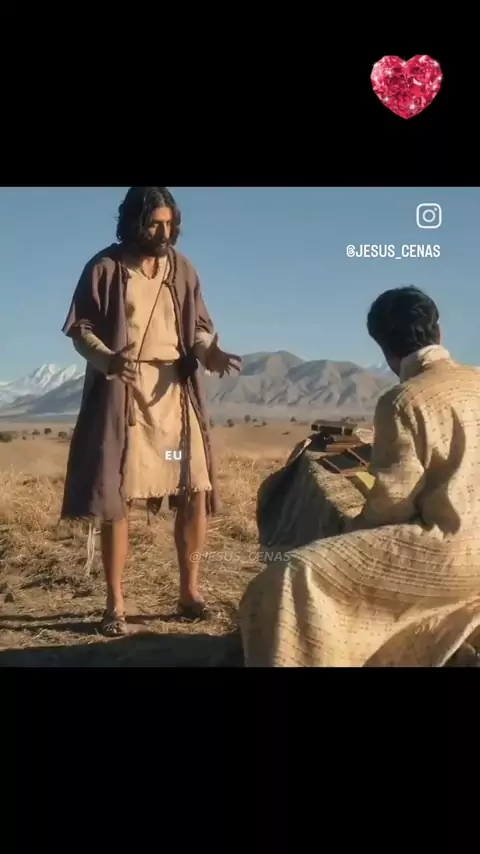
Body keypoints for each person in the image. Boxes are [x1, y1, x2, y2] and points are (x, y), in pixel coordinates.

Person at [239, 286, 480, 666]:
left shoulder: (403, 399)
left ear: (384, 349)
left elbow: (393, 504)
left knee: (292, 575)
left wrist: (351, 530)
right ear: (439, 330)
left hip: (449, 555)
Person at [61, 187, 241, 635]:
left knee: (194, 487)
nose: (164, 233)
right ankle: (115, 604)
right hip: (126, 399)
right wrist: (108, 360)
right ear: (133, 223)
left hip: (175, 398)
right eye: (154, 224)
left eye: (169, 224)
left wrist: (209, 352)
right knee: (118, 495)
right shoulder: (104, 267)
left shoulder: (182, 268)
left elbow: (198, 328)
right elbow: (81, 329)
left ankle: (189, 593)